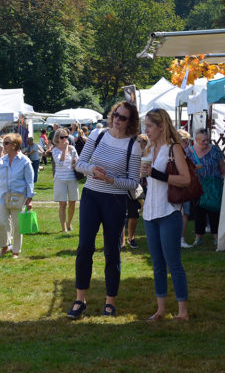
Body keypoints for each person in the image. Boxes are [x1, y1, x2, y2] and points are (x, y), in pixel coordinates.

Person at [67, 100, 142, 319]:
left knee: (112, 251)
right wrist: (92, 169)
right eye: (116, 115)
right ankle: (80, 300)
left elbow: (133, 183)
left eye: (123, 117)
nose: (117, 120)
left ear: (131, 121)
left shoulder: (133, 144)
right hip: (91, 196)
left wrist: (111, 180)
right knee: (84, 248)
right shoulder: (98, 135)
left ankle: (110, 302)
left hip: (115, 200)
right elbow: (79, 165)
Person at [140, 108, 192, 321]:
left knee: (173, 262)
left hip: (169, 211)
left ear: (161, 126)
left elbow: (186, 179)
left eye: (150, 126)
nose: (146, 130)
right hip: (150, 213)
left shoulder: (174, 148)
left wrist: (156, 174)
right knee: (157, 264)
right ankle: (161, 309)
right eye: (145, 126)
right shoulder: (149, 148)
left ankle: (183, 312)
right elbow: (147, 178)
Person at [0, 133, 35, 259]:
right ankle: (4, 246)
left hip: (18, 196)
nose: (3, 145)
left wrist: (29, 199)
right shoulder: (2, 161)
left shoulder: (25, 161)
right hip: (1, 196)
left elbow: (29, 181)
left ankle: (16, 250)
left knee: (17, 225)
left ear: (14, 145)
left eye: (6, 143)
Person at [190, 128, 225, 247]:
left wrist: (222, 176)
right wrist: (194, 169)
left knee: (214, 210)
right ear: (196, 140)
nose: (206, 143)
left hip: (213, 185)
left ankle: (216, 236)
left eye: (207, 140)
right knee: (198, 211)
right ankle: (198, 237)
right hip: (197, 186)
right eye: (203, 141)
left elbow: (222, 165)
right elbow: (184, 168)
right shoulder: (189, 151)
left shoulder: (215, 149)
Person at [122, 134, 150, 249]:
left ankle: (131, 238)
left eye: (142, 141)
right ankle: (121, 241)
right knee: (122, 215)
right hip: (126, 186)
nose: (139, 143)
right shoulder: (128, 153)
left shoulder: (148, 155)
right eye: (138, 141)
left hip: (141, 187)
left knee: (134, 215)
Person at [51, 128, 80, 232]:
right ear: (57, 138)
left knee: (73, 202)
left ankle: (69, 223)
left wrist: (75, 162)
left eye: (66, 137)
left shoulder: (72, 148)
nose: (64, 139)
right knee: (63, 204)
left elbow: (78, 162)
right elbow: (60, 163)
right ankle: (63, 228)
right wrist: (64, 150)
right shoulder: (54, 150)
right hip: (60, 179)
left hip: (72, 178)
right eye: (62, 137)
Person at [176, 129, 195, 248]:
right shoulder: (175, 152)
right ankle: (178, 240)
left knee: (184, 213)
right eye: (185, 141)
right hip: (177, 186)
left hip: (184, 186)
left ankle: (181, 239)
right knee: (178, 213)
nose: (187, 144)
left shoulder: (185, 152)